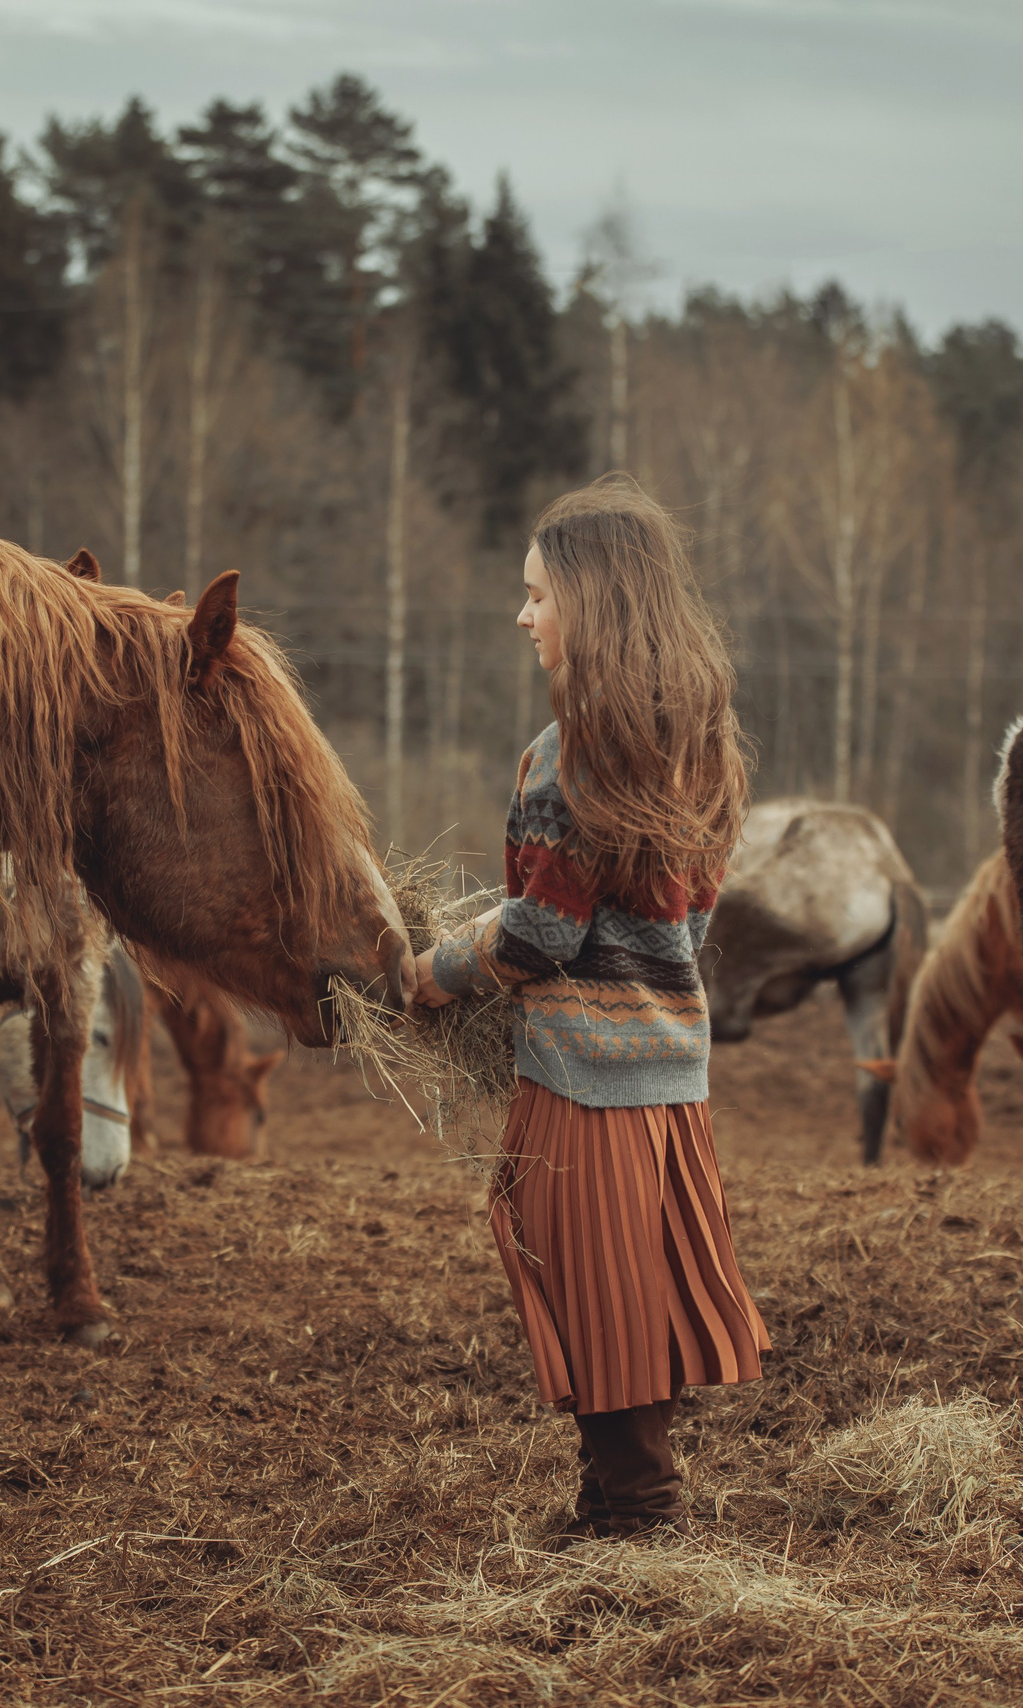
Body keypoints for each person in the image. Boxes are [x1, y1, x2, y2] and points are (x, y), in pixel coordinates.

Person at [404, 473, 769, 1543]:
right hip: (670, 1077)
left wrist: (435, 968)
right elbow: (689, 930)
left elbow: (537, 936)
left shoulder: (565, 755)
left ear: (591, 604)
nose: (523, 615)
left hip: (578, 1078)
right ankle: (607, 1508)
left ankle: (645, 1523)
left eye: (537, 595)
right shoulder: (702, 746)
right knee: (631, 1296)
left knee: (595, 1303)